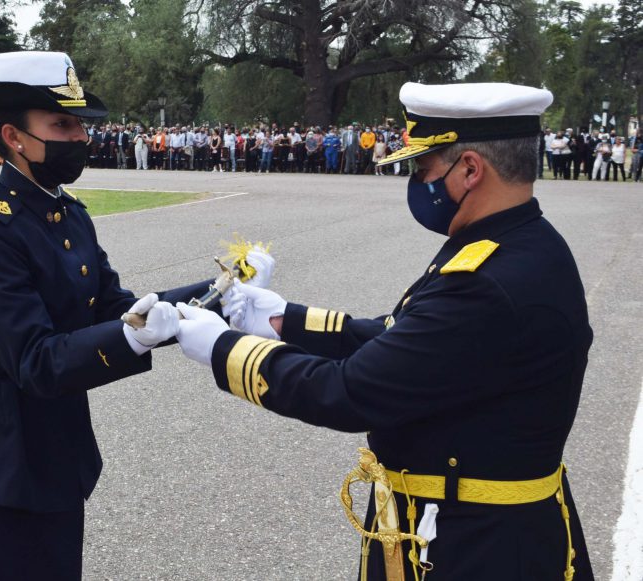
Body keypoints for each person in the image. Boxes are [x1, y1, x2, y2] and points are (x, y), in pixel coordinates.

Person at [174, 82, 594, 581]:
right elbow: (406, 340)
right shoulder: (519, 242)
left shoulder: (486, 280)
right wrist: (285, 318)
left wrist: (225, 349)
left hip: (473, 545)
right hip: (490, 528)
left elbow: (351, 392)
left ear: (470, 169)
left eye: (423, 169)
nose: (417, 182)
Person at [0, 51, 275, 580]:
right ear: (14, 138)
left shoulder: (66, 213)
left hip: (55, 444)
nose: (79, 137)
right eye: (61, 124)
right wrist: (131, 338)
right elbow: (34, 359)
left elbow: (118, 308)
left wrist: (222, 291)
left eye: (79, 124)